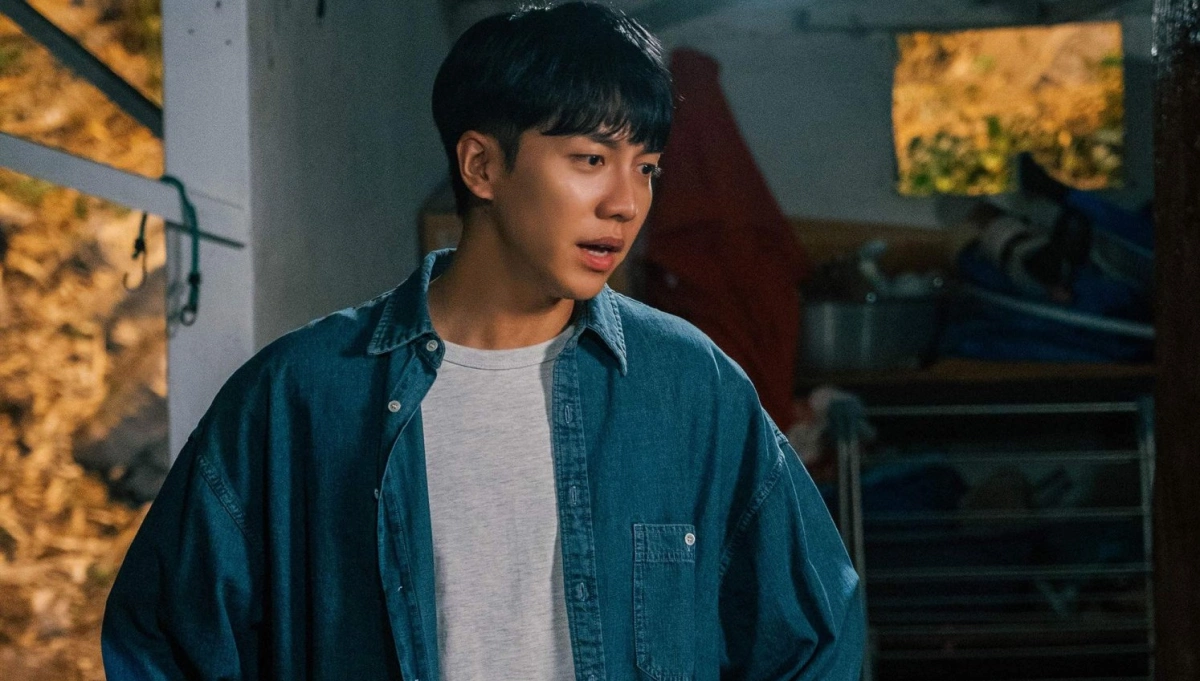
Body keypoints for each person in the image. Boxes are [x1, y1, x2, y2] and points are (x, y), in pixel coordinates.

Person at [101, 3, 864, 679]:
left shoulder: (690, 387)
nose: (626, 203)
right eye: (591, 160)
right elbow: (161, 640)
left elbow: (815, 633)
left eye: (647, 168)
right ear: (482, 165)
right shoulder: (302, 394)